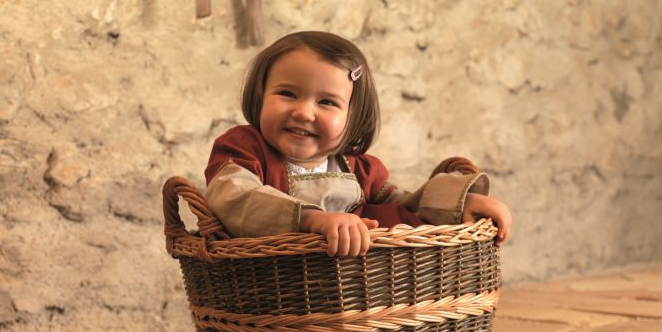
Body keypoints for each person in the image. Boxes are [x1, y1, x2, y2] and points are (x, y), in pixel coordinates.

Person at [205, 31, 512, 256]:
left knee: (398, 218)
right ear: (260, 96)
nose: (303, 112)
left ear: (353, 119)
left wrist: (458, 205)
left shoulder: (359, 169)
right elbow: (233, 195)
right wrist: (311, 219)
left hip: (360, 297)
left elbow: (402, 206)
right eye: (287, 94)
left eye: (327, 102)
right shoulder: (244, 148)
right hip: (279, 291)